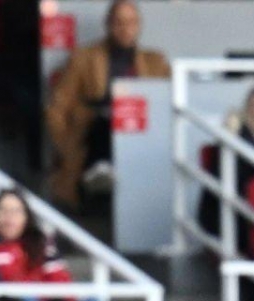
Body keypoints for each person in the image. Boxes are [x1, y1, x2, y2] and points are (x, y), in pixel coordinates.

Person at [45, 0, 171, 205]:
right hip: (94, 130)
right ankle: (101, 171)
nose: (126, 29)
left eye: (131, 22)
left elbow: (167, 102)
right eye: (119, 22)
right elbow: (57, 107)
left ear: (139, 25)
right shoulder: (84, 57)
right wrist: (65, 145)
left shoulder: (155, 61)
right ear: (108, 24)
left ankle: (108, 173)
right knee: (106, 120)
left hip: (140, 135)